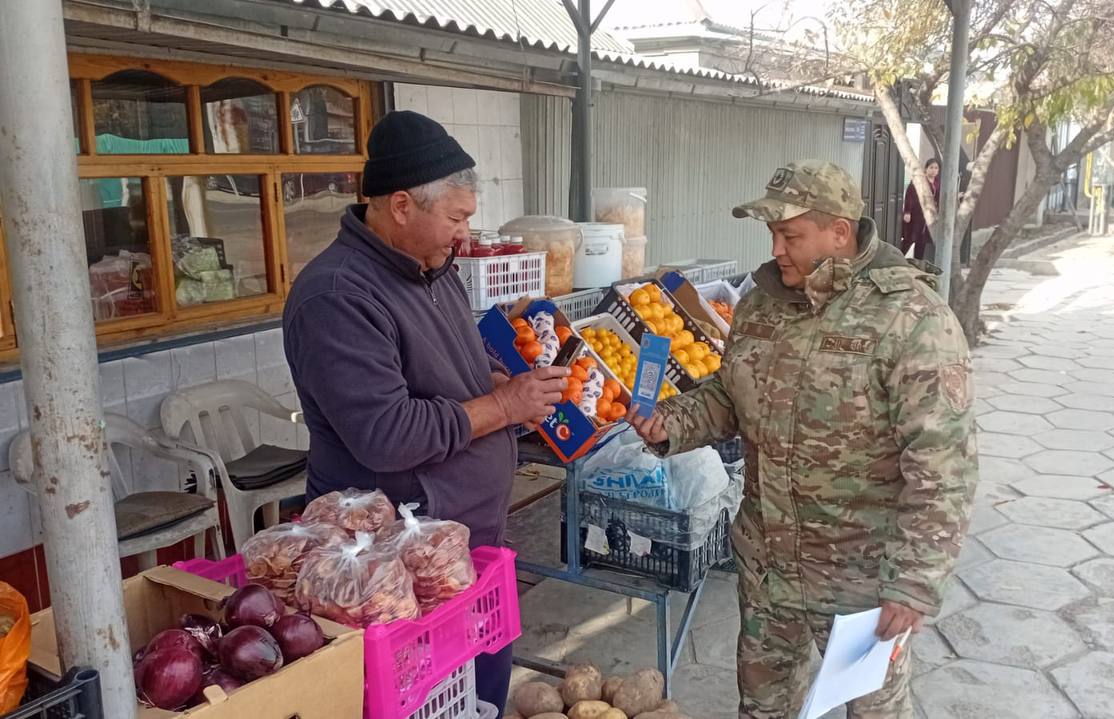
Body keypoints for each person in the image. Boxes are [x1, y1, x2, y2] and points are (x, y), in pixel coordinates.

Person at [627, 160, 977, 718]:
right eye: (772, 233)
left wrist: (914, 580)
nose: (777, 248)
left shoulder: (912, 318)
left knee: (875, 711)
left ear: (839, 232)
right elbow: (732, 394)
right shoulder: (764, 304)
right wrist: (675, 422)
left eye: (790, 234)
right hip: (769, 568)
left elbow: (944, 464)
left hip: (860, 580)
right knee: (763, 708)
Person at [283, 110, 569, 713]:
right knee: (424, 697)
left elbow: (442, 379)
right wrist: (502, 404)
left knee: (478, 693)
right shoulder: (337, 296)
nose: (465, 235)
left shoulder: (431, 269)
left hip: (463, 538)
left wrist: (499, 387)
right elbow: (388, 435)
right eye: (457, 218)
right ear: (403, 206)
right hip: (397, 564)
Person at [901, 158, 941, 260]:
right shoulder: (919, 180)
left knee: (922, 242)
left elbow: (938, 198)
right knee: (909, 239)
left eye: (936, 168)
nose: (934, 170)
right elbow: (909, 196)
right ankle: (896, 259)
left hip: (928, 217)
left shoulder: (937, 182)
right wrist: (907, 211)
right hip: (916, 214)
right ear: (926, 169)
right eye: (931, 167)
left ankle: (917, 264)